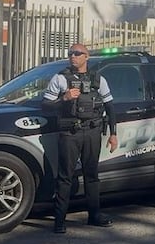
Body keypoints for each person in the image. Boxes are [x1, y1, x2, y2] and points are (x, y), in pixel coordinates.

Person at [42, 43, 118, 233]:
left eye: (77, 53)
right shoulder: (60, 78)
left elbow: (110, 107)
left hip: (92, 132)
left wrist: (113, 134)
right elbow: (45, 105)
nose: (72, 56)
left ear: (87, 56)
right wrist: (64, 99)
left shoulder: (98, 79)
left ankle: (94, 215)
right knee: (65, 177)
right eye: (70, 53)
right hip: (70, 133)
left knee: (92, 175)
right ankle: (59, 221)